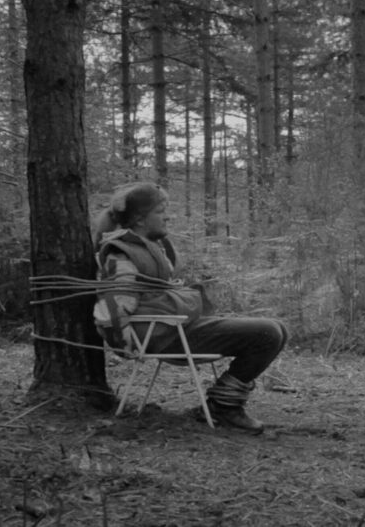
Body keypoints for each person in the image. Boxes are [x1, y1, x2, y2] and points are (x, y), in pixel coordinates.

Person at [92, 182, 287, 434]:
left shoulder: (147, 246)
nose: (168, 217)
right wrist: (125, 344)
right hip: (163, 334)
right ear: (140, 219)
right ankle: (223, 407)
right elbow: (112, 305)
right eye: (160, 211)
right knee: (268, 333)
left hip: (175, 327)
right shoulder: (122, 253)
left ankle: (223, 402)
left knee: (278, 330)